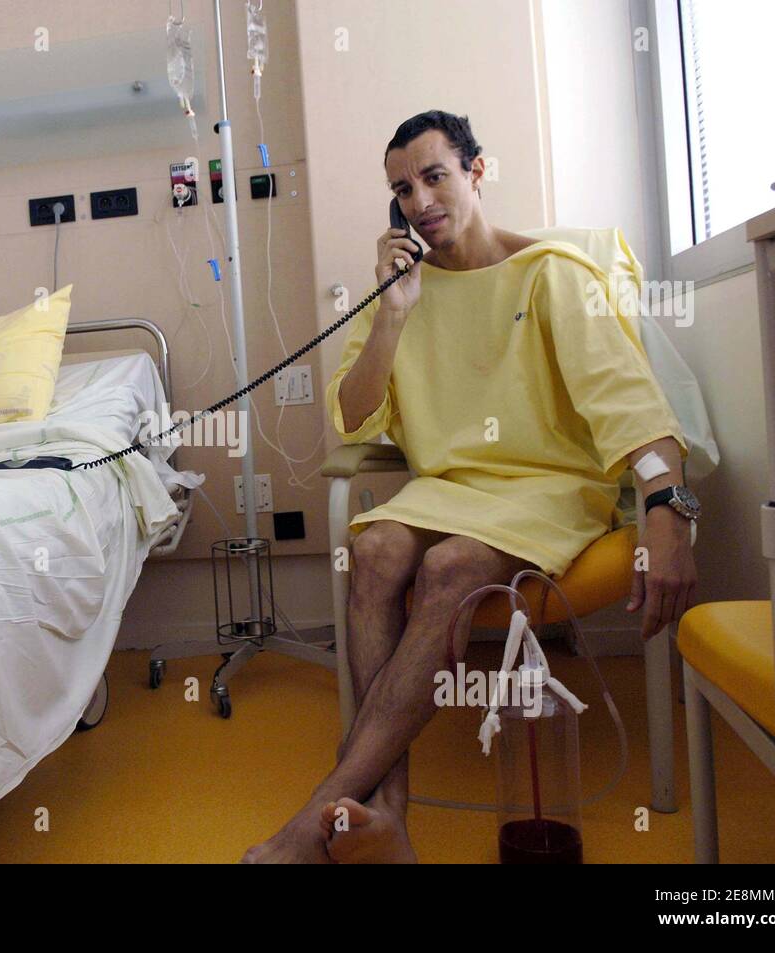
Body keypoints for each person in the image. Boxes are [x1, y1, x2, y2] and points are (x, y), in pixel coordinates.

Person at [242, 110, 699, 864]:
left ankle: (312, 822)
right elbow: (355, 418)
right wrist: (393, 311)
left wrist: (667, 509)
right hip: (451, 487)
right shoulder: (403, 290)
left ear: (477, 171)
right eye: (403, 188)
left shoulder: (553, 275)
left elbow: (633, 409)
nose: (420, 200)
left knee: (448, 567)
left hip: (546, 488)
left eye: (434, 176)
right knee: (379, 548)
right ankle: (388, 815)